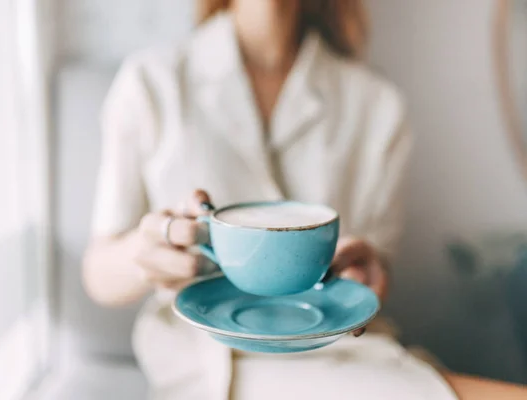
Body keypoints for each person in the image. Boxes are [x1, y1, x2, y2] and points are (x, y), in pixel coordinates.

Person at [82, 1, 527, 399]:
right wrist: (144, 254)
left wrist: (369, 273)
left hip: (339, 350)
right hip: (207, 358)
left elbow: (371, 278)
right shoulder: (151, 83)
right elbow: (98, 273)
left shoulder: (377, 105)